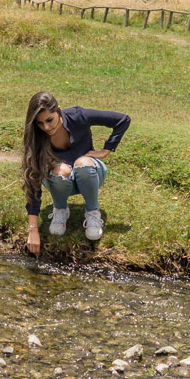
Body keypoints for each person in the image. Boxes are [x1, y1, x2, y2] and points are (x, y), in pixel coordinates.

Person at [22, 91, 131, 257]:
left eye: (49, 120)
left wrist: (107, 149)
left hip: (91, 174)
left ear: (58, 110)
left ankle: (93, 213)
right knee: (60, 169)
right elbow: (33, 184)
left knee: (83, 163)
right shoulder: (37, 138)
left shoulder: (78, 116)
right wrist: (33, 230)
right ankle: (60, 209)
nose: (46, 127)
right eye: (40, 123)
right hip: (59, 181)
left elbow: (122, 120)